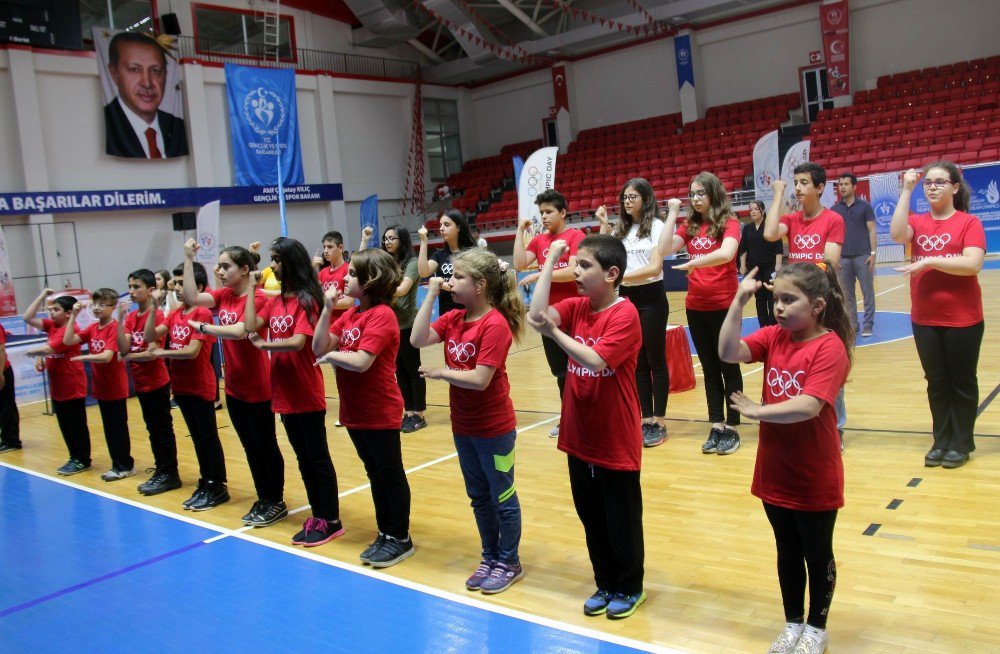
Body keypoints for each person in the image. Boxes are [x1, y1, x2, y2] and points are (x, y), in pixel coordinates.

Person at [719, 261, 853, 654]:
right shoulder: (776, 336)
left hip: (814, 471)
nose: (779, 307)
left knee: (817, 552)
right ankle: (793, 621)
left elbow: (809, 405)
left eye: (789, 299)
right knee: (787, 550)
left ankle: (818, 626)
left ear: (817, 306)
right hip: (775, 468)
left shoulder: (830, 348)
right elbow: (728, 351)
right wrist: (738, 302)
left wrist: (758, 410)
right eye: (776, 298)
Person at [528, 235, 646, 620]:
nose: (576, 272)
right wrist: (550, 263)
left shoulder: (624, 315)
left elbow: (595, 360)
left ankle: (630, 586)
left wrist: (555, 334)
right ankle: (605, 581)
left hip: (614, 436)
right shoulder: (577, 306)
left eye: (585, 266)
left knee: (621, 519)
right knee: (591, 516)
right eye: (575, 264)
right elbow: (535, 315)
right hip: (579, 435)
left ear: (612, 274)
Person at [411, 248, 526, 594]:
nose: (451, 281)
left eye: (459, 277)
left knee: (502, 495)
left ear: (480, 285)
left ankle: (510, 561)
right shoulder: (453, 319)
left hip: (495, 429)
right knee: (478, 497)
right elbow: (416, 339)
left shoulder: (495, 324)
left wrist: (441, 372)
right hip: (464, 427)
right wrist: (430, 293)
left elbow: (479, 379)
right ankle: (490, 556)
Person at [315, 248, 415, 568]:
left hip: (379, 410)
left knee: (389, 474)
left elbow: (360, 361)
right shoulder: (350, 315)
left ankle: (400, 536)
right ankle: (385, 532)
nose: (344, 277)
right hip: (355, 412)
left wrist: (331, 357)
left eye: (353, 274)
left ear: (370, 280)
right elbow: (319, 345)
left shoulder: (382, 315)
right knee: (375, 474)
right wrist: (326, 308)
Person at [243, 237, 343, 547]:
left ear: (291, 261)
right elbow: (249, 325)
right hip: (283, 391)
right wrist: (250, 287)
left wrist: (265, 345)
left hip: (305, 390)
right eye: (271, 259)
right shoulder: (275, 300)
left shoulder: (306, 299)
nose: (271, 265)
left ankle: (332, 519)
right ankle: (318, 515)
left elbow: (300, 341)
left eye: (277, 259)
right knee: (302, 458)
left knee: (317, 458)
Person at [183, 241, 287, 526]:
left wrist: (204, 328)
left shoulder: (259, 299)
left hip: (258, 387)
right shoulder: (225, 294)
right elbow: (192, 296)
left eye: (225, 266)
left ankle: (275, 499)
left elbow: (242, 330)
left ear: (244, 269)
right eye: (218, 265)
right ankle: (263, 496)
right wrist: (189, 259)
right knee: (249, 447)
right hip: (235, 387)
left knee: (265, 445)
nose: (219, 270)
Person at [890, 163, 986, 469]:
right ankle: (941, 440)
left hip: (963, 319)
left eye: (940, 182)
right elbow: (895, 234)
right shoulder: (917, 222)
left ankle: (961, 442)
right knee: (936, 382)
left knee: (961, 381)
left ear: (955, 188)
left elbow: (972, 264)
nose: (932, 187)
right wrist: (906, 189)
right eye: (927, 183)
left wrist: (929, 260)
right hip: (925, 319)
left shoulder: (969, 222)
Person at [766, 164, 848, 446]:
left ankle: (835, 427)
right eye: (795, 183)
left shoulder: (833, 219)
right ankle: (800, 416)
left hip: (824, 302)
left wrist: (794, 278)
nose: (798, 188)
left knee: (828, 363)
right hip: (797, 303)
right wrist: (778, 195)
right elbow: (770, 233)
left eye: (804, 183)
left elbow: (830, 261)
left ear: (820, 187)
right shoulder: (792, 218)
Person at [662, 173, 743, 455]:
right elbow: (663, 249)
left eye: (700, 193)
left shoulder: (729, 223)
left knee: (728, 366)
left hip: (724, 305)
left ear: (713, 194)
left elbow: (727, 253)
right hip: (696, 307)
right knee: (709, 368)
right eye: (692, 194)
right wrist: (672, 214)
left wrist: (692, 263)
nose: (695, 199)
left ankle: (733, 425)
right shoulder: (690, 226)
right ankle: (716, 423)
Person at [596, 181, 681, 448]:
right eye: (624, 198)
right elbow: (603, 253)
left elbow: (655, 267)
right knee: (637, 361)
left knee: (655, 359)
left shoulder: (656, 226)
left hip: (652, 297)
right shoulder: (621, 230)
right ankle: (645, 419)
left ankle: (660, 420)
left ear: (646, 198)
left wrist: (618, 277)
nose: (627, 202)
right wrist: (602, 223)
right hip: (627, 298)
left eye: (632, 197)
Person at [147, 262, 229, 511]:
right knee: (196, 438)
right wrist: (153, 309)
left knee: (208, 438)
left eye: (183, 282)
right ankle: (206, 481)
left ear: (199, 287)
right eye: (177, 282)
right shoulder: (174, 313)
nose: (178, 287)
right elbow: (150, 335)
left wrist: (161, 351)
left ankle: (217, 485)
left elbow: (192, 351)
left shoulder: (202, 313)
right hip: (181, 387)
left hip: (200, 386)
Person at [514, 189, 585, 438]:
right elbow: (519, 264)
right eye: (541, 212)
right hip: (548, 315)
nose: (543, 217)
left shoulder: (576, 236)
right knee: (561, 372)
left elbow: (574, 271)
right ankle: (568, 418)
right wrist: (520, 232)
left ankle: (586, 417)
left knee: (582, 367)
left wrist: (540, 274)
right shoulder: (539, 240)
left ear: (562, 213)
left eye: (549, 212)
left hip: (575, 313)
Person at [118, 268, 180, 495]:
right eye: (130, 287)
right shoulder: (132, 317)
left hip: (156, 382)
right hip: (141, 382)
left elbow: (152, 351)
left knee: (162, 429)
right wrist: (120, 319)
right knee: (152, 429)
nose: (131, 291)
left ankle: (170, 473)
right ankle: (161, 469)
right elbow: (124, 346)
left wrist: (129, 356)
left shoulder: (159, 316)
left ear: (151, 290)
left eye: (137, 287)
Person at [63, 288, 134, 480]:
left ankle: (124, 465)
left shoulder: (115, 327)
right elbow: (68, 339)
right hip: (101, 389)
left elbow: (106, 356)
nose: (97, 308)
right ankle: (117, 464)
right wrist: (73, 316)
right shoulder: (93, 328)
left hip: (115, 387)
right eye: (95, 304)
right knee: (109, 428)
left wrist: (83, 357)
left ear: (113, 307)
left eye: (102, 304)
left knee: (117, 428)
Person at [363, 224, 427, 433]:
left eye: (392, 238)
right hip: (390, 325)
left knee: (413, 370)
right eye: (385, 239)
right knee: (398, 371)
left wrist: (379, 285)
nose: (387, 242)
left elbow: (402, 289)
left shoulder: (412, 263)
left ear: (402, 240)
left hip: (407, 324)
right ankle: (408, 412)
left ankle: (419, 414)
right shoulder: (388, 262)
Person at [22, 290, 91, 475]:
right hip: (58, 386)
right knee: (65, 426)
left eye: (56, 310)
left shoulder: (71, 331)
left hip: (72, 386)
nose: (51, 313)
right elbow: (28, 318)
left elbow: (48, 348)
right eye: (51, 309)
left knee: (76, 426)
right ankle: (74, 457)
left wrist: (32, 353)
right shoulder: (52, 326)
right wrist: (42, 295)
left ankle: (82, 460)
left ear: (68, 313)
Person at [104, 32, 187, 159]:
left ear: (165, 75)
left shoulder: (179, 128)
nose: (147, 83)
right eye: (135, 69)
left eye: (155, 71)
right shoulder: (106, 126)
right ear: (114, 73)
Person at [831, 173, 877, 337]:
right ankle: (853, 325)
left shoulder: (865, 206)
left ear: (854, 187)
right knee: (847, 295)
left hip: (863, 256)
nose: (842, 187)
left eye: (846, 184)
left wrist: (873, 254)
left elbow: (872, 230)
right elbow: (832, 235)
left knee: (867, 292)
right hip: (843, 258)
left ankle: (868, 324)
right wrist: (835, 258)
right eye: (840, 184)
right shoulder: (834, 210)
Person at [417, 209, 478, 316]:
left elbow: (468, 286)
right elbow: (423, 272)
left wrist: (441, 284)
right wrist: (423, 241)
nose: (441, 228)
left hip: (468, 311)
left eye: (446, 225)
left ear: (459, 227)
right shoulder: (439, 255)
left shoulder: (471, 253)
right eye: (440, 225)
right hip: (446, 313)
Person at [739, 200, 783, 327]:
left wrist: (778, 264)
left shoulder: (771, 225)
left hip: (770, 266)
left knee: (771, 295)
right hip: (754, 268)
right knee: (759, 297)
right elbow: (743, 248)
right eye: (750, 209)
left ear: (762, 211)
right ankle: (763, 325)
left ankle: (774, 324)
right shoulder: (747, 228)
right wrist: (742, 265)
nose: (752, 212)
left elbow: (778, 247)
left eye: (755, 209)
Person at [0, 324, 21, 453]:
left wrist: (0, 373)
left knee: (6, 407)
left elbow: (1, 349)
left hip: (3, 371)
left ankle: (11, 440)